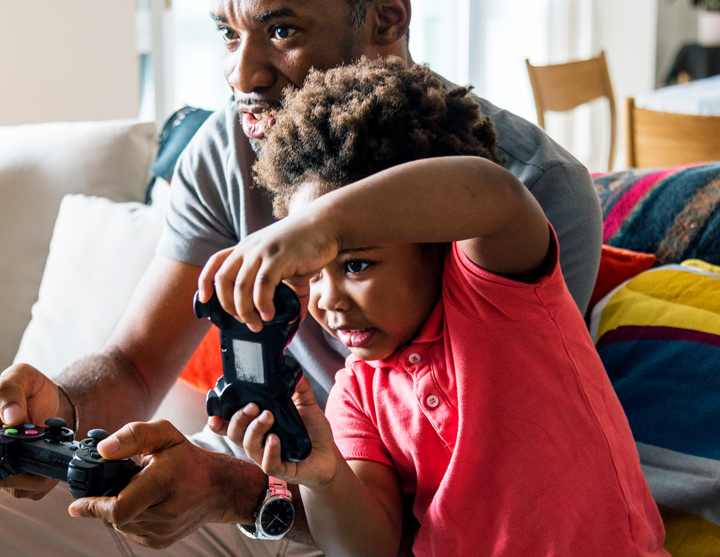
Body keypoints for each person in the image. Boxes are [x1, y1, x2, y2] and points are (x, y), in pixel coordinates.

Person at [0, 1, 603, 555]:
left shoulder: (534, 190)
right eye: (225, 32)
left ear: (385, 19)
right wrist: (62, 406)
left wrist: (237, 490)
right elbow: (138, 364)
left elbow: (469, 485)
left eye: (281, 29)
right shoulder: (234, 145)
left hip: (381, 510)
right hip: (300, 469)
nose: (242, 74)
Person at [200, 56, 667, 556]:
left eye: (355, 265)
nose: (327, 298)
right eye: (312, 275)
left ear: (438, 240)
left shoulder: (499, 298)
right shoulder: (355, 393)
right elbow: (367, 547)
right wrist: (323, 475)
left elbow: (493, 193)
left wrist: (319, 229)